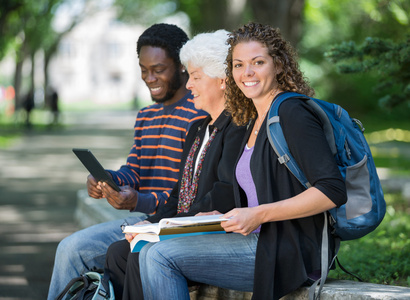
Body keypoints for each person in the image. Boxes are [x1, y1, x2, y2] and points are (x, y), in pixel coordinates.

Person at [137, 22, 348, 300]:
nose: (247, 73)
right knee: (148, 248)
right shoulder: (254, 119)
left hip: (289, 249)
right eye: (238, 64)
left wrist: (259, 214)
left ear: (279, 66)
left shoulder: (291, 112)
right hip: (257, 239)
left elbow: (332, 190)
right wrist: (222, 215)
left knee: (160, 255)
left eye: (257, 62)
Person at [47, 23, 207, 300]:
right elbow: (133, 170)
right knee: (69, 246)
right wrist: (108, 180)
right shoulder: (146, 116)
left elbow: (188, 196)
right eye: (144, 70)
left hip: (172, 224)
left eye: (158, 69)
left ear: (182, 66)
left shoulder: (199, 114)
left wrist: (138, 201)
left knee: (74, 250)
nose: (149, 78)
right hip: (141, 219)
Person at [104, 29, 247, 300]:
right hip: (182, 224)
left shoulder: (238, 127)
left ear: (222, 81)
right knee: (119, 251)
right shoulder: (198, 128)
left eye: (195, 77)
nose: (188, 85)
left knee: (142, 250)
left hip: (209, 230)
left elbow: (223, 195)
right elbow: (178, 195)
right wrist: (149, 224)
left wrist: (164, 227)